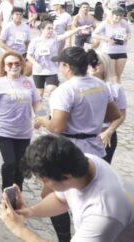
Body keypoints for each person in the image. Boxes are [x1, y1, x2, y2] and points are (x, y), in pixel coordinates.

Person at [33, 47, 122, 242]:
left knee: (52, 194)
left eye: (61, 64)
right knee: (89, 192)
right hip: (95, 146)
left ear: (67, 67)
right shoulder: (100, 85)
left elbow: (57, 126)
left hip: (70, 148)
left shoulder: (64, 90)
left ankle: (65, 237)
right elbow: (114, 115)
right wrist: (91, 117)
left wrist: (42, 121)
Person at [0, 135, 134, 242]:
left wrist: (19, 228)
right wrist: (29, 212)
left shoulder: (103, 212)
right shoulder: (83, 162)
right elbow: (62, 200)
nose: (41, 184)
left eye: (44, 180)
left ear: (67, 177)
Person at [0, 51, 40, 191]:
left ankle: (17, 193)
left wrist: (40, 118)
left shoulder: (28, 82)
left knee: (21, 164)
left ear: (22, 65)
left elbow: (36, 102)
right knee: (10, 163)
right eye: (10, 64)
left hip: (24, 131)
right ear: (4, 66)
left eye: (17, 63)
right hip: (4, 130)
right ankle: (7, 193)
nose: (14, 66)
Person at [28, 20, 87, 97]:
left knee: (52, 88)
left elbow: (67, 34)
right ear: (42, 29)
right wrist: (35, 63)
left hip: (51, 71)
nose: (51, 30)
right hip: (38, 71)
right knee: (39, 94)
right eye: (48, 28)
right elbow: (29, 55)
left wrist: (79, 28)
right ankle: (36, 105)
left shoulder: (55, 39)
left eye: (52, 28)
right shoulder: (35, 41)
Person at [88, 51, 127, 163]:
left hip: (105, 137)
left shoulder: (115, 88)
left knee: (102, 171)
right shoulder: (78, 87)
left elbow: (121, 115)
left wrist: (109, 131)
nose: (93, 66)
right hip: (83, 137)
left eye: (97, 63)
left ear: (106, 65)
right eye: (90, 62)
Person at [93, 7, 130, 83]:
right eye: (117, 15)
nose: (119, 17)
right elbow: (94, 34)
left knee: (118, 76)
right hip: (108, 52)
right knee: (110, 76)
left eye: (121, 15)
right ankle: (108, 93)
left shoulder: (124, 23)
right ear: (112, 15)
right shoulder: (105, 23)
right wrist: (107, 39)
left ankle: (117, 93)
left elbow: (129, 33)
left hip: (121, 51)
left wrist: (127, 37)